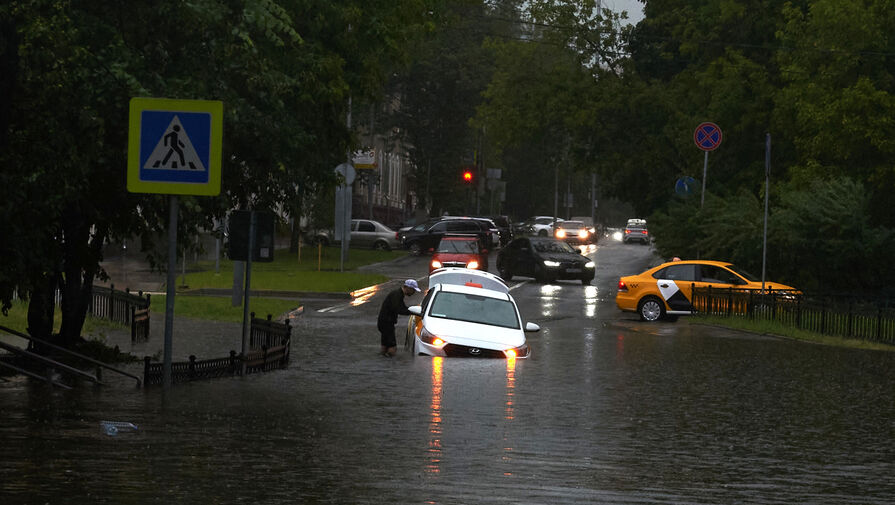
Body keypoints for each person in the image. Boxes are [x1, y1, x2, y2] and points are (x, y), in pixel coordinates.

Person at [378, 279, 420, 357]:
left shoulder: (398, 294)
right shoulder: (397, 295)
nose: (414, 292)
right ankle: (390, 364)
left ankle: (382, 360)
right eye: (413, 290)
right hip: (387, 323)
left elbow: (402, 307)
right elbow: (399, 309)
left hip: (384, 322)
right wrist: (413, 312)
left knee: (385, 344)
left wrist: (410, 311)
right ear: (407, 288)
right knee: (392, 347)